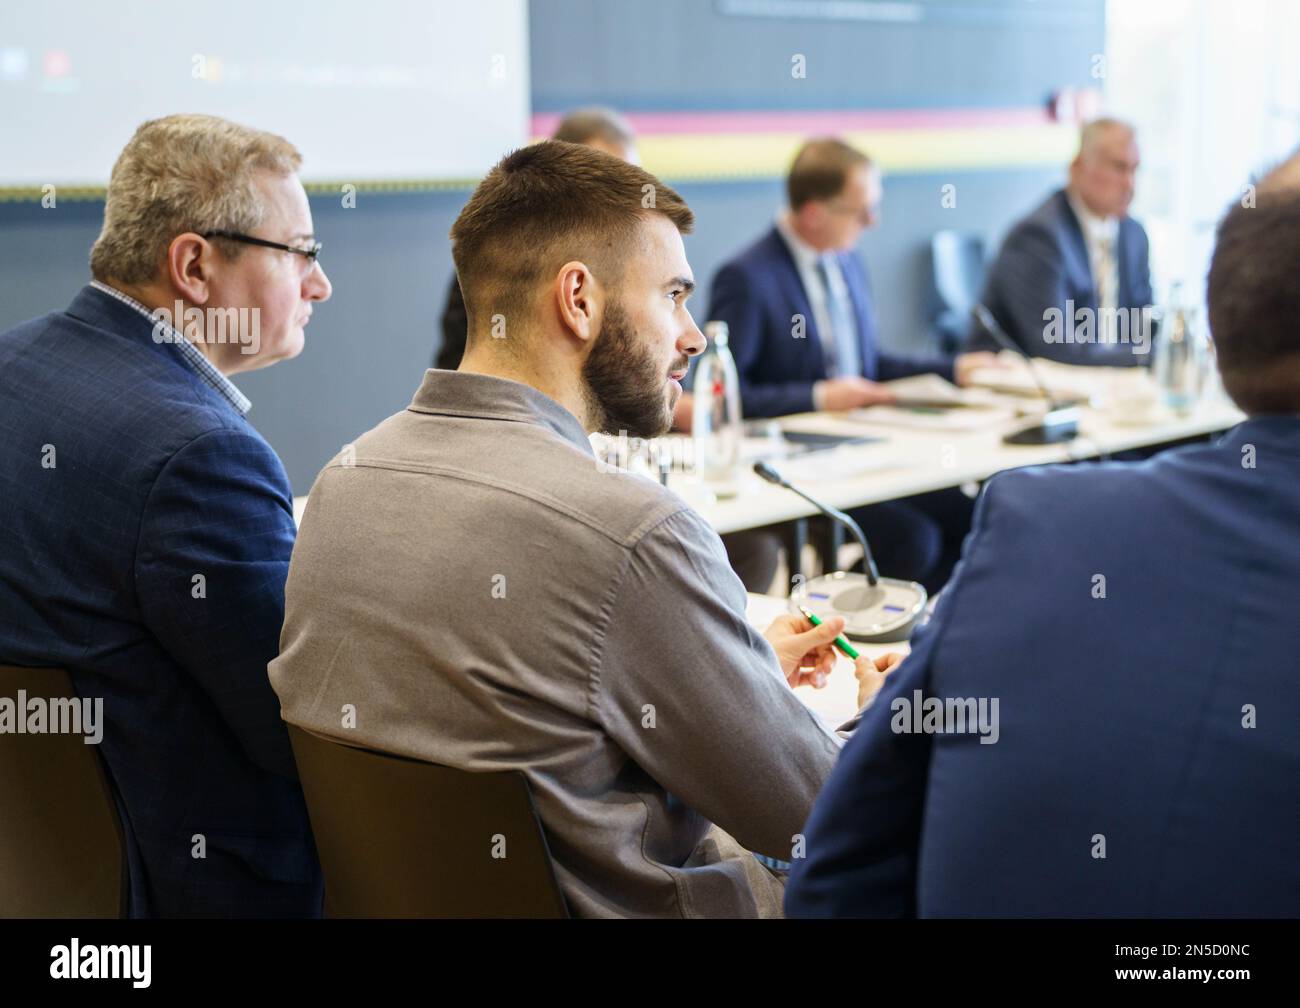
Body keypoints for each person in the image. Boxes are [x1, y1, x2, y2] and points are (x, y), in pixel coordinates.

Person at [270, 140, 895, 918]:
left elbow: (525, 711)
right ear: (578, 298)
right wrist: (885, 714)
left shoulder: (343, 483)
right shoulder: (633, 534)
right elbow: (825, 816)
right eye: (672, 295)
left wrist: (732, 673)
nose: (693, 335)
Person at [784, 155, 1300, 918]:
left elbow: (833, 880)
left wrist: (915, 692)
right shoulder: (1036, 242)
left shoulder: (1034, 527)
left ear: (1222, 340)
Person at [0, 115, 331, 916]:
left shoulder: (13, 365)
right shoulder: (200, 457)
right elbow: (301, 731)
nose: (320, 286)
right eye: (302, 253)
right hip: (200, 886)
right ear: (193, 265)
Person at [703, 138, 996, 590]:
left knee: (975, 516)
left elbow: (869, 364)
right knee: (914, 540)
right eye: (861, 212)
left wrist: (953, 370)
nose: (872, 222)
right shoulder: (747, 276)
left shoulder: (847, 261)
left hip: (871, 445)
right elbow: (723, 396)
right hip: (804, 460)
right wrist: (820, 396)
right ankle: (847, 620)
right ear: (815, 212)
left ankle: (914, 635)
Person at [432, 107, 638, 371]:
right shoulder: (495, 261)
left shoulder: (637, 264)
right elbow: (459, 372)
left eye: (630, 181)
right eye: (609, 182)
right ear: (563, 176)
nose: (624, 199)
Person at [974, 118, 1153, 365]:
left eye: (1135, 169)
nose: (1129, 183)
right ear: (1077, 168)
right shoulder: (1038, 237)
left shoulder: (1133, 235)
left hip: (1106, 387)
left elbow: (1144, 325)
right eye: (1118, 168)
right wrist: (1148, 357)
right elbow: (1056, 350)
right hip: (1021, 388)